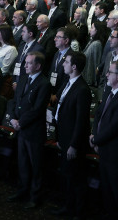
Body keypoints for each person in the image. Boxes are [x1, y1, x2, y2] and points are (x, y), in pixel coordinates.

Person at [90, 60, 118, 220]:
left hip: (115, 152)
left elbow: (116, 126)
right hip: (103, 148)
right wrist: (94, 134)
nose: (106, 74)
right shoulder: (110, 91)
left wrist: (96, 140)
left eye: (110, 72)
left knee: (117, 192)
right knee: (107, 189)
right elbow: (98, 115)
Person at [52, 51, 92, 219]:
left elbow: (81, 121)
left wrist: (74, 145)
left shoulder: (82, 89)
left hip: (73, 142)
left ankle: (78, 212)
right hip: (64, 137)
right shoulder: (68, 83)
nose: (63, 64)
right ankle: (68, 207)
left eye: (66, 62)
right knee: (67, 177)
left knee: (76, 179)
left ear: (74, 66)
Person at [8, 51, 50, 209]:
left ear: (38, 65)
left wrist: (20, 122)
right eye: (25, 62)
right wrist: (12, 118)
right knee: (23, 164)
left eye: (29, 63)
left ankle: (35, 197)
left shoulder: (44, 83)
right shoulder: (23, 78)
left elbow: (37, 109)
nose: (25, 65)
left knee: (35, 166)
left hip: (33, 131)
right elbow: (14, 100)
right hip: (21, 129)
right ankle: (22, 191)